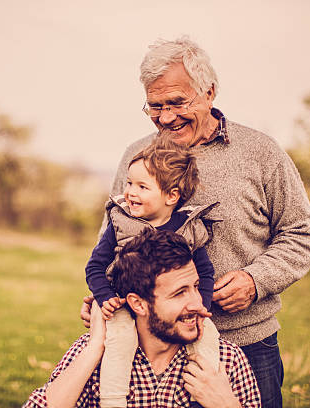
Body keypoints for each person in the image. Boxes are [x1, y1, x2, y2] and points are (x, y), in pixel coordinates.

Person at [81, 36, 310, 407]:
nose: (166, 117)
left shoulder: (260, 152)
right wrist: (105, 294)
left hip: (245, 342)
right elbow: (114, 240)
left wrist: (255, 281)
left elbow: (301, 233)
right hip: (149, 349)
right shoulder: (136, 156)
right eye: (155, 106)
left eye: (177, 102)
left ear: (209, 92)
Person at [23, 229, 261, 408]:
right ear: (138, 303)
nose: (198, 304)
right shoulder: (95, 354)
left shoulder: (226, 361)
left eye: (196, 287)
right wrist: (95, 346)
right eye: (179, 293)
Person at [85, 135, 220, 407]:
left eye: (142, 187)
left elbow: (204, 273)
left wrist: (201, 306)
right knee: (120, 342)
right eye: (129, 183)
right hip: (124, 304)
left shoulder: (188, 227)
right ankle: (113, 400)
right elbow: (95, 266)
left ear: (172, 196)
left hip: (174, 311)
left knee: (209, 338)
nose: (130, 192)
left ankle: (204, 394)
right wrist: (104, 296)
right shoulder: (121, 222)